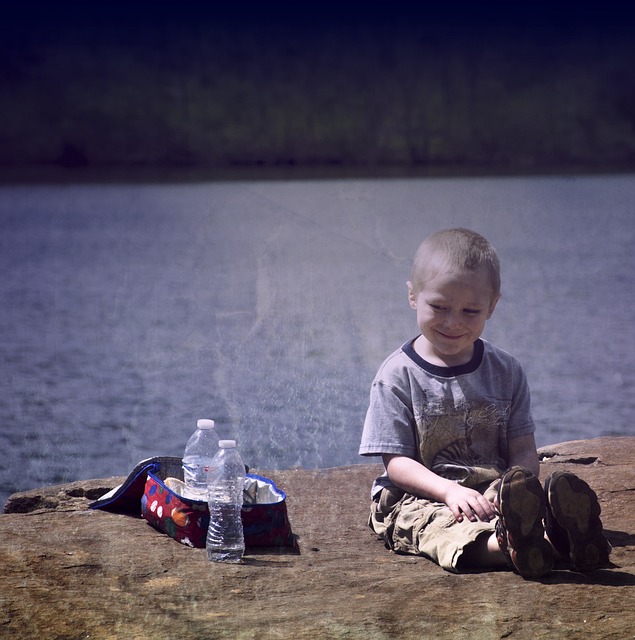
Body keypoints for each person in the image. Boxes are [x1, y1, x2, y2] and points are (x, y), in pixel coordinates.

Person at [359, 228, 611, 579]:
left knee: (526, 501)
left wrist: (508, 482)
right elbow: (396, 462)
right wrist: (448, 491)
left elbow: (523, 448)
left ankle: (548, 533)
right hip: (420, 495)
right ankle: (527, 546)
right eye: (439, 307)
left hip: (494, 494)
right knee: (441, 529)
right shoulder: (397, 375)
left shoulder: (506, 370)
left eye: (470, 310)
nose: (453, 322)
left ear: (492, 306)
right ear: (413, 296)